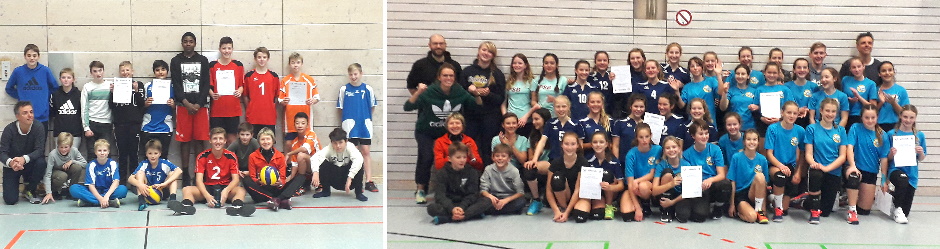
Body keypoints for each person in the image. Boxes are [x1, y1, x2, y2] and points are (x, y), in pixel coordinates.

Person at [404, 63, 482, 204]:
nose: (448, 78)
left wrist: (476, 94)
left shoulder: (459, 91)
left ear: (455, 77)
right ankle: (421, 189)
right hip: (426, 132)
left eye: (451, 75)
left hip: (448, 133)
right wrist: (418, 92)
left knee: (459, 158)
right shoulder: (429, 91)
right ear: (439, 77)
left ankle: (456, 190)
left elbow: (477, 107)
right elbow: (408, 107)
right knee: (426, 157)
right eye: (445, 75)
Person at [168, 128, 254, 217]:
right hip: (208, 187)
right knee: (187, 189)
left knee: (241, 190)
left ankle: (237, 207)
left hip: (225, 187)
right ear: (210, 140)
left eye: (220, 139)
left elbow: (235, 179)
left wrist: (226, 191)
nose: (218, 141)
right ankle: (186, 207)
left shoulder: (231, 156)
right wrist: (207, 196)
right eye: (215, 138)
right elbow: (199, 180)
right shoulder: (202, 156)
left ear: (225, 141)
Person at [171, 32, 211, 187]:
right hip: (183, 107)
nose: (188, 44)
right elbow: (176, 83)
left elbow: (206, 83)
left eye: (191, 41)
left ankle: (198, 173)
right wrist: (186, 103)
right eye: (185, 41)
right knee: (185, 141)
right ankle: (186, 174)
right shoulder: (176, 61)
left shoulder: (202, 60)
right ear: (182, 43)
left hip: (200, 107)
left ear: (195, 43)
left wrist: (199, 104)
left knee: (200, 141)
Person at [461, 41, 506, 166]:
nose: (486, 53)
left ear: (493, 56)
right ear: (479, 51)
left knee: (487, 149)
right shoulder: (467, 71)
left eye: (490, 52)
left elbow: (500, 98)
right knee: (469, 147)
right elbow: (459, 95)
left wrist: (488, 94)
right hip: (471, 117)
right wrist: (469, 91)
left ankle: (487, 178)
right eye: (484, 50)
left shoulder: (497, 74)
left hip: (490, 118)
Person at [804, 98, 848, 224]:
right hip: (817, 168)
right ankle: (814, 211)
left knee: (826, 212)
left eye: (833, 111)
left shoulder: (841, 130)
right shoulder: (811, 129)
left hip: (833, 171)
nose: (830, 114)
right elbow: (808, 153)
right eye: (827, 110)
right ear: (821, 111)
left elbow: (842, 156)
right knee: (815, 174)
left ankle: (807, 201)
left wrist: (827, 168)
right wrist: (814, 164)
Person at [844, 104, 889, 225]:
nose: (870, 121)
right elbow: (849, 147)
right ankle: (851, 210)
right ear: (862, 118)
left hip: (870, 172)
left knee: (864, 211)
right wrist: (852, 165)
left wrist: (884, 180)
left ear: (877, 117)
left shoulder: (882, 135)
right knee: (853, 177)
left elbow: (884, 159)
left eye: (872, 117)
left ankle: (850, 197)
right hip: (855, 167)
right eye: (866, 117)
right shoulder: (855, 128)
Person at [337, 63, 379, 192]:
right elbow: (341, 108)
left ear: (361, 74)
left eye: (355, 74)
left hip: (364, 126)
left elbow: (372, 107)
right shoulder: (344, 89)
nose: (353, 77)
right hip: (350, 127)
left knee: (366, 152)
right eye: (351, 74)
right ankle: (355, 181)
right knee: (353, 154)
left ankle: (369, 181)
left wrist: (364, 118)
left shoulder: (368, 89)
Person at [427, 142, 490, 224]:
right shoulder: (442, 173)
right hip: (450, 204)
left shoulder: (472, 172)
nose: (462, 160)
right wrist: (452, 208)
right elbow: (440, 195)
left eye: (464, 157)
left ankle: (449, 218)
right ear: (449, 159)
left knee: (487, 201)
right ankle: (470, 215)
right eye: (458, 157)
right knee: (431, 208)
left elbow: (473, 194)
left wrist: (462, 207)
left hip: (466, 204)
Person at [245, 128, 305, 210]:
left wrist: (280, 183)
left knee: (301, 177)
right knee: (246, 180)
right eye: (262, 139)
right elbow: (252, 176)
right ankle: (280, 200)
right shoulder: (253, 156)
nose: (266, 142)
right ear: (258, 141)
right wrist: (258, 181)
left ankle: (277, 199)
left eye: (268, 139)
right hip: (261, 190)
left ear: (273, 141)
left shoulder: (280, 155)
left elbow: (283, 177)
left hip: (276, 188)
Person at [683, 120, 732, 221]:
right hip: (698, 187)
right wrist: (700, 183)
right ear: (693, 136)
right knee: (699, 217)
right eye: (701, 134)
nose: (704, 136)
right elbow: (688, 178)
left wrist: (710, 180)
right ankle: (705, 204)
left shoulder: (715, 149)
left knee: (725, 184)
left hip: (712, 184)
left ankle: (718, 207)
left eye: (706, 133)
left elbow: (721, 175)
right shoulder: (686, 154)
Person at [764, 101, 805, 222]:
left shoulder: (800, 131)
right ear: (782, 113)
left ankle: (773, 198)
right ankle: (777, 209)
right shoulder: (773, 128)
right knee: (780, 176)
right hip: (775, 164)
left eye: (795, 113)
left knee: (786, 209)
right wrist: (780, 166)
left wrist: (798, 172)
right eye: (789, 112)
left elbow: (802, 153)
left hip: (791, 166)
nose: (791, 116)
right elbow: (769, 154)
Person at [885, 105, 926, 224]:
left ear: (915, 118)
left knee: (906, 211)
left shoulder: (919, 136)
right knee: (903, 180)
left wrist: (921, 152)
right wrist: (891, 154)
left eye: (911, 117)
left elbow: (922, 158)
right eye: (905, 117)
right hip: (895, 170)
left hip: (912, 172)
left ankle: (895, 202)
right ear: (900, 116)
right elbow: (886, 158)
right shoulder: (892, 134)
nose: (908, 120)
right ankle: (897, 208)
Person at [2, 102, 47, 205]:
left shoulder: (38, 127)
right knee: (10, 200)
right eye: (25, 113)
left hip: (30, 163)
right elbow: (2, 152)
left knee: (41, 162)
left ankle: (30, 189)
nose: (30, 115)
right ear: (17, 116)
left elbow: (39, 150)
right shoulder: (9, 130)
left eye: (31, 112)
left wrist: (24, 159)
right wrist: (11, 163)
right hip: (13, 165)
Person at [5, 44, 58, 127]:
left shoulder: (45, 70)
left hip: (42, 116)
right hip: (24, 116)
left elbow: (55, 87)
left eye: (34, 55)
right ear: (25, 56)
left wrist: (44, 96)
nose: (32, 58)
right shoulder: (18, 71)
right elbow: (9, 88)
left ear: (38, 56)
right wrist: (20, 95)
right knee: (25, 140)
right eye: (29, 55)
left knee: (41, 140)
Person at [110, 61, 146, 182]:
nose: (125, 73)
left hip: (134, 124)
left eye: (127, 70)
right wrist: (112, 93)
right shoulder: (117, 84)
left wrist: (136, 91)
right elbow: (111, 105)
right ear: (120, 73)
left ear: (132, 71)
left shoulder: (139, 84)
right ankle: (122, 181)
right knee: (122, 154)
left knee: (134, 154)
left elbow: (142, 105)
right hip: (120, 124)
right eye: (123, 71)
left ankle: (135, 181)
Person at [311, 128, 369, 202]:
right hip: (335, 180)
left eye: (340, 142)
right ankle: (326, 191)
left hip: (349, 182)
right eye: (335, 143)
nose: (338, 146)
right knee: (322, 162)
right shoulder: (329, 148)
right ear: (331, 142)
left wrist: (350, 177)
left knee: (359, 163)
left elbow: (359, 160)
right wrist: (315, 172)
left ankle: (358, 193)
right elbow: (315, 158)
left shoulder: (350, 147)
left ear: (346, 141)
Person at [279, 52, 320, 152]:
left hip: (306, 117)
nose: (295, 65)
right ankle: (288, 165)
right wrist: (284, 101)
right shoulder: (285, 80)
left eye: (298, 62)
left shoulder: (309, 79)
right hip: (290, 119)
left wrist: (313, 100)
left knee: (306, 144)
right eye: (293, 62)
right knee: (289, 143)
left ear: (301, 64)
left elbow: (317, 97)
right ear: (289, 64)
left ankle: (306, 165)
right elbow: (280, 99)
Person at [583, 132, 629, 221]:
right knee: (597, 215)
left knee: (607, 174)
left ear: (606, 144)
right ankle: (593, 204)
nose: (598, 145)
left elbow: (621, 185)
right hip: (595, 193)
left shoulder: (614, 162)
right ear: (591, 145)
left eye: (601, 142)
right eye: (595, 142)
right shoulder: (587, 160)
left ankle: (609, 206)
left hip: (610, 192)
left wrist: (610, 187)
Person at [208, 36, 245, 146]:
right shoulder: (212, 65)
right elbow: (208, 86)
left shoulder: (238, 65)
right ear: (220, 49)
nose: (226, 51)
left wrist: (239, 91)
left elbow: (241, 85)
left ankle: (231, 162)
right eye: (224, 48)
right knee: (217, 139)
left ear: (232, 49)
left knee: (232, 139)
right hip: (217, 109)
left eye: (229, 48)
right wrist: (212, 94)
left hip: (233, 109)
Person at [727, 129, 770, 224]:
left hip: (754, 193)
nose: (752, 142)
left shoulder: (762, 159)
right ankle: (741, 212)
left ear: (758, 142)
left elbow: (764, 184)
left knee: (760, 176)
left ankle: (759, 210)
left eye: (754, 139)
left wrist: (764, 208)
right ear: (744, 142)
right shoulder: (736, 157)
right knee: (752, 218)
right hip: (741, 194)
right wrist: (732, 204)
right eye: (749, 139)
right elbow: (732, 182)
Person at [69, 139, 127, 208]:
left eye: (105, 150)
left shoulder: (113, 164)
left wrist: (106, 196)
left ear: (108, 152)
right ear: (95, 152)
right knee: (74, 188)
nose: (102, 153)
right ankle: (109, 202)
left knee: (123, 189)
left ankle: (89, 202)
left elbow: (116, 182)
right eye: (99, 150)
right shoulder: (91, 165)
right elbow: (91, 185)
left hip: (108, 191)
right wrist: (100, 199)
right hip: (93, 191)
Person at [546, 132, 589, 223]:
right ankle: (563, 208)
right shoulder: (556, 163)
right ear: (562, 145)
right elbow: (549, 190)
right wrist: (556, 211)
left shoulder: (583, 162)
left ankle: (569, 211)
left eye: (573, 144)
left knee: (580, 217)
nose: (569, 147)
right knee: (557, 178)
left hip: (577, 197)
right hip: (563, 196)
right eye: (566, 144)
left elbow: (578, 190)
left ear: (578, 145)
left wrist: (567, 213)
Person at [128, 139, 181, 211]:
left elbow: (179, 171)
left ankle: (172, 200)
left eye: (155, 153)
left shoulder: (164, 163)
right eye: (150, 153)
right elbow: (130, 179)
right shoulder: (144, 164)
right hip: (147, 191)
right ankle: (141, 201)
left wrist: (165, 184)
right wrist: (141, 185)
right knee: (139, 173)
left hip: (162, 189)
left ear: (160, 153)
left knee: (172, 174)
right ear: (146, 154)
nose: (153, 156)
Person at [622, 123, 661, 219]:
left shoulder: (658, 150)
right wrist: (638, 209)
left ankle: (646, 204)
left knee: (643, 186)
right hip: (634, 188)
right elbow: (630, 184)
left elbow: (652, 174)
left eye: (647, 136)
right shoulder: (631, 154)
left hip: (649, 186)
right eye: (641, 137)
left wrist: (638, 180)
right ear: (636, 138)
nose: (644, 140)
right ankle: (639, 205)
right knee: (627, 216)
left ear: (651, 136)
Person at [140, 60, 175, 159]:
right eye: (157, 70)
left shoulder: (172, 86)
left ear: (167, 71)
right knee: (147, 158)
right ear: (154, 72)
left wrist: (173, 104)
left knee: (163, 157)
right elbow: (141, 104)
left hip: (165, 127)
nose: (160, 72)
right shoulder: (147, 86)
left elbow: (178, 105)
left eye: (163, 69)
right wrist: (146, 103)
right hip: (148, 126)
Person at [651, 136, 690, 222]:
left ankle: (673, 207)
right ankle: (666, 210)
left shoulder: (686, 165)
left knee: (683, 217)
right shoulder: (661, 165)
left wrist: (673, 202)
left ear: (679, 149)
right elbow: (654, 191)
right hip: (665, 194)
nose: (671, 150)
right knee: (668, 173)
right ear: (664, 151)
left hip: (680, 197)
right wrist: (671, 184)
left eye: (674, 147)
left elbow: (689, 191)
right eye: (668, 148)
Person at [521, 108, 552, 215]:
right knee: (528, 169)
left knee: (549, 202)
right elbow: (530, 157)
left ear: (545, 119)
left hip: (553, 167)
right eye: (533, 119)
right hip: (539, 167)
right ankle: (536, 200)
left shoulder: (554, 134)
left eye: (537, 119)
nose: (534, 122)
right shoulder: (533, 136)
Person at [81, 61, 114, 159]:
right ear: (91, 73)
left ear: (103, 71)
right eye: (95, 71)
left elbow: (115, 106)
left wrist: (113, 92)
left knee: (107, 153)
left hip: (106, 124)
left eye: (100, 70)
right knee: (92, 153)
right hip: (92, 123)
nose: (98, 73)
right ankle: (91, 174)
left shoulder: (110, 86)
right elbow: (84, 108)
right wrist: (86, 127)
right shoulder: (87, 87)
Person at [480, 144, 526, 215]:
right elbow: (483, 190)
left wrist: (506, 200)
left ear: (509, 158)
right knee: (481, 200)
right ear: (493, 157)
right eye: (497, 156)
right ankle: (505, 210)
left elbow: (520, 192)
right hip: (494, 197)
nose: (500, 158)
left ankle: (493, 210)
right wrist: (490, 196)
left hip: (509, 198)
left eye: (503, 156)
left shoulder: (514, 171)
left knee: (521, 202)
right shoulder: (488, 169)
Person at [244, 47, 280, 135]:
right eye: (259, 57)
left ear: (268, 59)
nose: (261, 60)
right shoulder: (249, 76)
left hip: (269, 117)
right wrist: (249, 108)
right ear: (255, 59)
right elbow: (245, 95)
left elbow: (277, 96)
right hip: (253, 117)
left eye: (264, 57)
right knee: (253, 144)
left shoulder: (273, 76)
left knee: (268, 143)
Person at [284, 112, 322, 194]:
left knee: (301, 155)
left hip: (320, 167)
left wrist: (289, 154)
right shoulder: (294, 142)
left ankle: (320, 182)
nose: (300, 125)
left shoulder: (312, 134)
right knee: (299, 159)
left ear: (307, 125)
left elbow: (305, 149)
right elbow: (294, 166)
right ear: (294, 125)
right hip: (308, 169)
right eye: (297, 123)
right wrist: (288, 181)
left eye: (303, 123)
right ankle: (303, 184)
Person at [43, 133, 87, 203]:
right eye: (61, 147)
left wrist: (72, 161)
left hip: (67, 171)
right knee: (63, 176)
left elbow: (85, 164)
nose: (63, 150)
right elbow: (47, 175)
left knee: (77, 168)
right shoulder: (52, 154)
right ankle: (54, 191)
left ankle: (71, 191)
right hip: (56, 174)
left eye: (66, 147)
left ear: (71, 146)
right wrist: (48, 192)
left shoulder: (74, 150)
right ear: (57, 146)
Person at [503, 53, 537, 136]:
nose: (517, 65)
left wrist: (526, 117)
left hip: (525, 120)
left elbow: (534, 103)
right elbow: (503, 104)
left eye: (520, 63)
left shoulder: (532, 82)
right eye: (514, 63)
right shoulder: (508, 82)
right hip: (511, 121)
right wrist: (505, 117)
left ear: (525, 65)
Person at [679, 57, 721, 123]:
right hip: (693, 123)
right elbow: (681, 105)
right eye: (692, 66)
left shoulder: (711, 81)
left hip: (709, 121)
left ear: (702, 67)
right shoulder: (687, 87)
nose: (695, 68)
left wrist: (718, 74)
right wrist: (676, 91)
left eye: (698, 65)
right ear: (689, 69)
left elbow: (721, 92)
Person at [842, 57, 879, 130]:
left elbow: (873, 106)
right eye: (853, 67)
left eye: (859, 66)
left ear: (863, 67)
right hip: (847, 116)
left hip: (862, 117)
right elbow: (842, 98)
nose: (857, 70)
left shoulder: (870, 84)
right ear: (850, 69)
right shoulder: (845, 80)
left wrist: (858, 96)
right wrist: (850, 100)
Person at [50, 68, 82, 151]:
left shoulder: (79, 94)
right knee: (59, 157)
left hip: (75, 133)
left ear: (73, 79)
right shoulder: (55, 95)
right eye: (63, 77)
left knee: (72, 158)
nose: (66, 80)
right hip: (59, 132)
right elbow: (52, 112)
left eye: (69, 77)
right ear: (60, 79)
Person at [720, 64, 759, 131]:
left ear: (748, 76)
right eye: (737, 74)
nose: (740, 76)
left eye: (743, 74)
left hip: (750, 128)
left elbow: (760, 108)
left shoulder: (755, 91)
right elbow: (723, 108)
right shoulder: (730, 90)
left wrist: (757, 107)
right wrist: (724, 93)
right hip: (733, 127)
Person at [875, 62, 909, 132]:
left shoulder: (901, 90)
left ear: (894, 72)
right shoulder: (875, 90)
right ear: (879, 74)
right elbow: (871, 112)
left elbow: (905, 114)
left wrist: (893, 103)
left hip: (897, 126)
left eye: (890, 70)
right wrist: (881, 102)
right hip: (878, 126)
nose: (887, 73)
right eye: (884, 71)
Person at [531, 53, 567, 118]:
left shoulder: (563, 80)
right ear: (543, 65)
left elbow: (567, 102)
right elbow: (533, 101)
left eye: (552, 63)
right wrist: (537, 106)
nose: (549, 65)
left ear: (557, 65)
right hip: (541, 117)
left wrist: (555, 100)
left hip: (557, 117)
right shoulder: (536, 80)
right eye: (546, 63)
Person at [612, 94, 647, 160]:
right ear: (630, 106)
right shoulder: (620, 123)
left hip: (642, 162)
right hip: (624, 161)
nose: (638, 109)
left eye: (641, 107)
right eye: (636, 106)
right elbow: (615, 146)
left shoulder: (647, 124)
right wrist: (616, 163)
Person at [785, 58, 817, 128]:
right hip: (791, 121)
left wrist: (807, 109)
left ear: (808, 70)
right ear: (794, 70)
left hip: (808, 121)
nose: (802, 70)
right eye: (799, 67)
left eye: (804, 67)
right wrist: (797, 110)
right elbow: (784, 105)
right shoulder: (786, 87)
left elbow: (816, 104)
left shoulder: (814, 87)